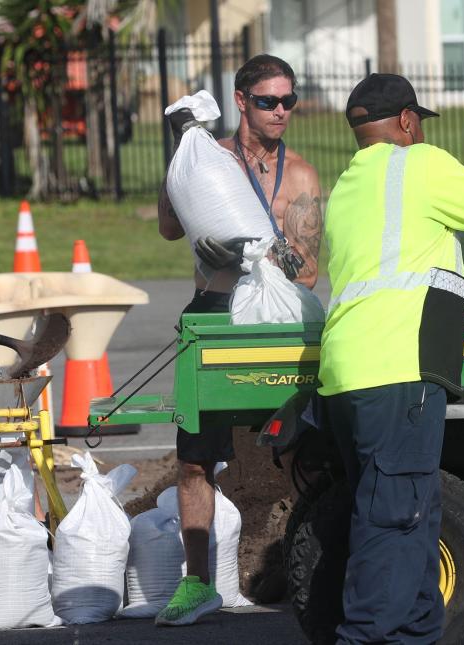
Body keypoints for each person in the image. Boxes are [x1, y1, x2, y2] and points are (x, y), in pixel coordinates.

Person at [317, 73, 464, 644]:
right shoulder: (418, 163)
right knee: (394, 523)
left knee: (412, 520)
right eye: (419, 121)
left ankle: (418, 636)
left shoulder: (349, 185)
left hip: (351, 375)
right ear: (407, 120)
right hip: (400, 370)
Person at [154, 54, 322, 626]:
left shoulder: (298, 175)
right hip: (212, 314)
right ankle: (197, 583)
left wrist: (266, 251)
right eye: (270, 100)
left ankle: (321, 563)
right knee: (195, 459)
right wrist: (178, 155)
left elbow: (307, 273)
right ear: (242, 100)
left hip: (273, 319)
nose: (281, 112)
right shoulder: (210, 158)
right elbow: (170, 227)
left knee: (307, 449)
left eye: (289, 101)